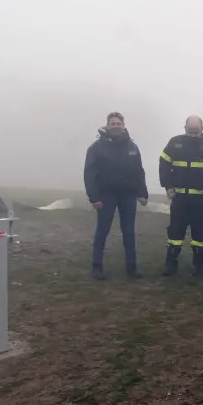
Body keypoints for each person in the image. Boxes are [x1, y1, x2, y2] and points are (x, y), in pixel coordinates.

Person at [84, 112, 148, 280]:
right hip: (106, 195)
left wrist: (142, 193)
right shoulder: (96, 148)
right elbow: (90, 174)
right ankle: (97, 267)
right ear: (107, 126)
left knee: (129, 231)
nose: (116, 126)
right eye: (113, 123)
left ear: (123, 125)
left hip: (128, 195)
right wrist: (94, 197)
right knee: (102, 231)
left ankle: (132, 268)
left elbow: (138, 172)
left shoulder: (132, 147)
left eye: (118, 123)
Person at [159, 115, 203, 277]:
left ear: (202, 129)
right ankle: (171, 264)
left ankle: (198, 265)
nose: (193, 134)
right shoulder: (175, 143)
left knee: (200, 234)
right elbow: (164, 164)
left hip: (201, 200)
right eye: (190, 131)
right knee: (175, 232)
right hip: (180, 198)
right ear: (185, 128)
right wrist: (167, 186)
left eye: (196, 131)